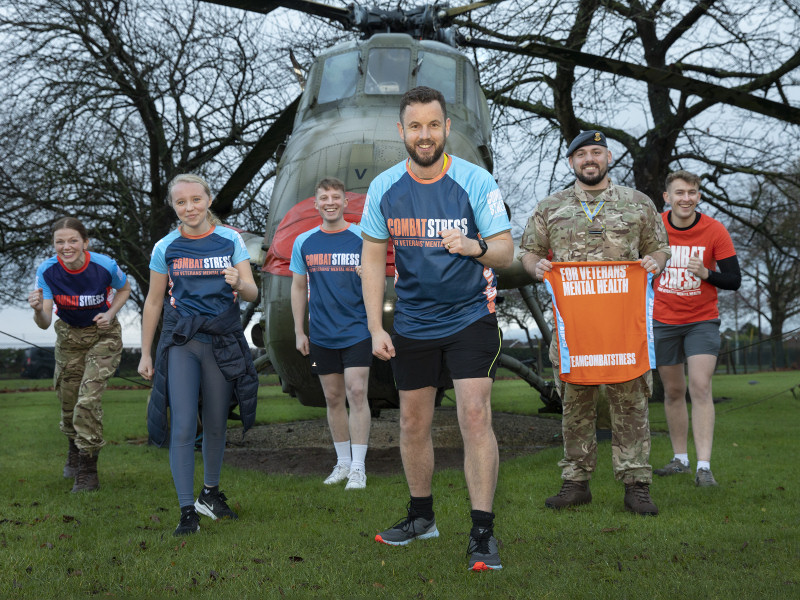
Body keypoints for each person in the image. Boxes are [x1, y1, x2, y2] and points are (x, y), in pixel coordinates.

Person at [360, 86, 513, 571]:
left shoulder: (475, 180)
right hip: (413, 323)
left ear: (447, 129)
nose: (424, 135)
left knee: (473, 417)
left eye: (433, 125)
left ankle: (483, 532)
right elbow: (370, 261)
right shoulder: (385, 188)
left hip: (470, 316)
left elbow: (506, 251)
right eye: (415, 126)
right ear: (401, 132)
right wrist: (374, 327)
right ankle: (422, 517)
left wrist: (474, 247)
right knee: (411, 422)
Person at [519, 130, 671, 516]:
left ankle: (637, 484)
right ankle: (576, 482)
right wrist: (534, 266)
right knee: (576, 404)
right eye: (582, 153)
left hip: (624, 327)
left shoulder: (638, 204)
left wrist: (657, 261)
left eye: (597, 152)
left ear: (607, 158)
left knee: (630, 403)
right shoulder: (550, 207)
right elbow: (529, 251)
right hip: (576, 331)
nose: (590, 159)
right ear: (572, 162)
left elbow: (660, 246)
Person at [138, 174, 259, 537]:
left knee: (217, 422)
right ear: (173, 207)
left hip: (221, 340)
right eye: (181, 202)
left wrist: (239, 283)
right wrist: (145, 353)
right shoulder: (166, 247)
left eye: (195, 199)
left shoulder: (230, 239)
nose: (189, 207)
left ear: (208, 200)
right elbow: (154, 301)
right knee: (185, 422)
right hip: (182, 343)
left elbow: (252, 292)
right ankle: (186, 509)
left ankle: (210, 493)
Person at [28, 216, 131, 492]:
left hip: (103, 336)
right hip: (69, 338)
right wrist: (37, 309)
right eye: (59, 242)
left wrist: (110, 313)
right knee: (68, 401)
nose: (66, 246)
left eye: (73, 240)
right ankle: (73, 448)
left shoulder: (104, 265)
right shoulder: (47, 271)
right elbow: (45, 321)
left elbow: (125, 289)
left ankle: (88, 470)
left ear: (85, 242)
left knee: (87, 400)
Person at [652, 170, 741, 487]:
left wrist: (706, 273)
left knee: (700, 387)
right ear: (667, 197)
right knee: (674, 391)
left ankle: (704, 466)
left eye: (691, 192)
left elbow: (734, 280)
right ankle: (680, 460)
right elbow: (636, 265)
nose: (685, 198)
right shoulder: (655, 226)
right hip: (663, 321)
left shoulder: (715, 230)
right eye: (679, 192)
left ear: (699, 196)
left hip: (702, 320)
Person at [290, 177, 372, 490]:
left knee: (356, 392)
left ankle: (359, 468)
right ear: (316, 203)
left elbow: (379, 280)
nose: (330, 202)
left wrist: (369, 274)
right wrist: (299, 331)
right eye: (324, 197)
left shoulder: (362, 238)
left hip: (356, 330)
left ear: (345, 202)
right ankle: (342, 463)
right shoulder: (304, 241)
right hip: (322, 334)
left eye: (336, 197)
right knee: (333, 397)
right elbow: (298, 287)